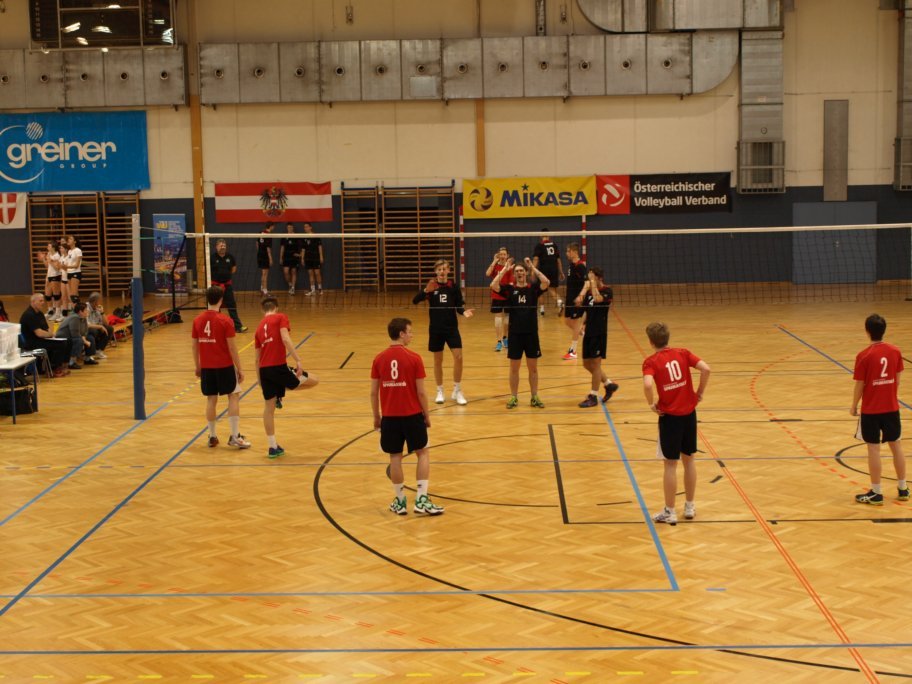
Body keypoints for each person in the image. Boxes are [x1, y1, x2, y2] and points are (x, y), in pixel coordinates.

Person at [370, 317, 444, 516]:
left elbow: (373, 393)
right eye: (410, 332)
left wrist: (376, 417)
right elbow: (421, 392)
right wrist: (427, 415)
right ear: (401, 334)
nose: (412, 335)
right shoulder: (414, 358)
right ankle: (421, 499)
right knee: (423, 453)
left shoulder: (378, 359)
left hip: (390, 417)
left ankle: (400, 501)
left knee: (395, 456)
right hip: (412, 415)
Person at [642, 321, 711, 524]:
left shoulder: (651, 362)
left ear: (651, 342)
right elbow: (706, 369)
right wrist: (699, 393)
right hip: (689, 414)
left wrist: (651, 404)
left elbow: (648, 384)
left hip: (670, 418)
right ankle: (689, 506)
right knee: (689, 460)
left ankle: (670, 511)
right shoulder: (682, 353)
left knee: (670, 465)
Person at [851, 313, 908, 505]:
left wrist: (853, 405)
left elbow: (860, 384)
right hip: (891, 407)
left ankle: (876, 492)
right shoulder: (895, 351)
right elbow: (897, 380)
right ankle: (903, 488)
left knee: (873, 449)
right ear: (884, 330)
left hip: (871, 410)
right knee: (896, 446)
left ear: (867, 331)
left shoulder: (864, 355)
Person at [254, 296, 320, 458]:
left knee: (268, 409)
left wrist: (259, 379)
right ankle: (281, 389)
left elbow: (256, 358)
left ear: (263, 310)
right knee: (314, 380)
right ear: (276, 307)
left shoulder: (258, 328)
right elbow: (285, 338)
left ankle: (272, 447)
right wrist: (298, 360)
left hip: (264, 371)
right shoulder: (281, 317)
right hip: (278, 368)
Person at [191, 286, 251, 449]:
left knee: (211, 399)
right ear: (221, 300)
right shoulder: (226, 321)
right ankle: (235, 436)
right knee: (234, 396)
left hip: (207, 367)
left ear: (207, 299)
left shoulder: (197, 320)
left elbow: (194, 346)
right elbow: (232, 347)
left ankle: (212, 436)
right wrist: (240, 368)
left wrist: (198, 366)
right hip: (224, 366)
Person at [412, 259, 474, 406]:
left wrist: (463, 312)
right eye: (439, 269)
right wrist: (426, 291)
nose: (442, 272)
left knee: (458, 357)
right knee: (438, 360)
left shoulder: (453, 286)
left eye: (444, 269)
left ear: (448, 271)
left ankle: (457, 390)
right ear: (436, 271)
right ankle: (440, 390)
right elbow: (415, 300)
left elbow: (459, 305)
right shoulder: (431, 286)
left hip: (451, 328)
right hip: (436, 329)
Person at [490, 256, 550, 409]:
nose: (519, 273)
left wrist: (532, 267)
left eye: (521, 271)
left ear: (525, 272)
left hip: (531, 334)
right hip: (515, 335)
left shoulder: (533, 289)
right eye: (517, 271)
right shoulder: (510, 290)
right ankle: (514, 397)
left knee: (533, 369)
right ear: (514, 274)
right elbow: (493, 285)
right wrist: (505, 269)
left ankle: (534, 396)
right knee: (514, 369)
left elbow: (546, 282)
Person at [575, 267, 619, 407]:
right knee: (586, 364)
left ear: (599, 278)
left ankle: (593, 396)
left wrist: (592, 283)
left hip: (599, 333)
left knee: (596, 365)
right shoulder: (589, 292)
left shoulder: (607, 291)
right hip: (589, 332)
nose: (590, 280)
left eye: (593, 277)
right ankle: (609, 384)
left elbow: (597, 299)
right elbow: (585, 309)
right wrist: (582, 324)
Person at [19, 293, 72, 376]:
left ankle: (63, 365)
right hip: (31, 342)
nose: (43, 303)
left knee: (68, 340)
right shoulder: (29, 315)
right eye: (40, 301)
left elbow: (47, 329)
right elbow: (39, 333)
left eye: (43, 301)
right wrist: (51, 335)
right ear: (33, 302)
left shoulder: (39, 314)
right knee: (61, 344)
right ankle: (53, 369)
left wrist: (52, 335)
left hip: (40, 339)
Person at [210, 239, 247, 332]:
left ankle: (238, 326)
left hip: (227, 285)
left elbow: (234, 268)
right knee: (215, 306)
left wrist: (225, 274)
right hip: (215, 286)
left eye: (224, 245)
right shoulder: (212, 257)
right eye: (221, 245)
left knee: (232, 305)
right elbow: (204, 268)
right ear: (216, 247)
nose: (222, 247)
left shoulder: (230, 257)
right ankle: (215, 326)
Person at [562, 242, 588, 360]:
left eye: (568, 251)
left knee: (576, 323)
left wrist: (581, 296)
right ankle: (582, 333)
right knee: (567, 321)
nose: (566, 253)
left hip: (577, 300)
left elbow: (587, 282)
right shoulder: (571, 265)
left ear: (574, 252)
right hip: (569, 298)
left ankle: (573, 351)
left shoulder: (580, 266)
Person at [485, 247, 513, 352]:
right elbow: (487, 274)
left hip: (507, 295)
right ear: (498, 255)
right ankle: (499, 341)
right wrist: (494, 261)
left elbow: (511, 283)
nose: (502, 256)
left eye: (504, 254)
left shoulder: (509, 267)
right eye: (500, 254)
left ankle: (505, 338)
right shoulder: (495, 266)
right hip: (496, 295)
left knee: (507, 318)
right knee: (498, 318)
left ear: (507, 256)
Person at [56, 302, 98, 369]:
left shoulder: (83, 318)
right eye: (86, 310)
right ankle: (71, 362)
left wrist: (85, 338)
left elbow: (85, 331)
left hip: (73, 337)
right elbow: (74, 334)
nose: (87, 311)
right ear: (80, 311)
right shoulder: (74, 317)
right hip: (63, 338)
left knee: (90, 338)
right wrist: (85, 341)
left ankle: (87, 359)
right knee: (79, 340)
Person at [532, 229, 564, 316]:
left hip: (543, 270)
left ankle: (542, 309)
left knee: (540, 290)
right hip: (554, 269)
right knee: (552, 289)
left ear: (540, 236)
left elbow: (536, 259)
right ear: (549, 235)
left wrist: (532, 271)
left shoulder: (539, 246)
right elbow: (558, 260)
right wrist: (561, 272)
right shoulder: (554, 245)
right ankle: (560, 302)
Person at [86, 292, 114, 357]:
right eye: (99, 301)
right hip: (87, 328)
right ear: (95, 302)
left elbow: (106, 323)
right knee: (94, 331)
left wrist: (102, 312)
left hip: (97, 327)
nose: (101, 303)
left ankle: (98, 350)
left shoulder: (97, 307)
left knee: (109, 329)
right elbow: (86, 324)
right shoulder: (86, 308)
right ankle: (90, 352)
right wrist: (100, 326)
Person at [301, 223, 324, 296]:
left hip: (316, 257)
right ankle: (313, 290)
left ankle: (320, 289)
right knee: (310, 274)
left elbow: (320, 247)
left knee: (317, 273)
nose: (305, 228)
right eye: (304, 227)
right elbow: (303, 249)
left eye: (307, 227)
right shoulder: (304, 237)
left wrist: (321, 256)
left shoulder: (315, 236)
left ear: (310, 227)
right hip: (308, 258)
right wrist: (302, 258)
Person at [43, 241, 64, 321]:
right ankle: (50, 311)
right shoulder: (49, 254)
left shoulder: (57, 256)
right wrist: (44, 259)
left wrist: (51, 261)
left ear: (53, 247)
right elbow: (47, 266)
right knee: (47, 295)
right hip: (49, 275)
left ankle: (58, 313)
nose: (47, 247)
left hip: (55, 275)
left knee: (56, 295)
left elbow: (57, 268)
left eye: (49, 246)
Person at [279, 223, 302, 295]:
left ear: (293, 228)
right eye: (288, 227)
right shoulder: (284, 236)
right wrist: (281, 257)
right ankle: (290, 284)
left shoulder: (296, 236)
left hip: (294, 257)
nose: (289, 228)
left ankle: (293, 288)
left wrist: (300, 254)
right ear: (287, 228)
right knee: (286, 272)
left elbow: (302, 247)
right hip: (286, 257)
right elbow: (282, 247)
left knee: (293, 272)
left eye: (291, 227)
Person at [64, 235, 83, 304]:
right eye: (68, 239)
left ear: (75, 241)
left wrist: (67, 266)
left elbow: (77, 265)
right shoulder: (69, 251)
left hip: (76, 273)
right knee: (73, 295)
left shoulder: (78, 250)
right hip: (69, 273)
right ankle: (79, 308)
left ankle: (79, 309)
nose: (68, 240)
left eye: (70, 239)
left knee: (73, 295)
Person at [257, 222, 275, 296]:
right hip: (265, 255)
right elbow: (268, 248)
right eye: (273, 226)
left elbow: (257, 243)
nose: (274, 228)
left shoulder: (260, 232)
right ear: (271, 226)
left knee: (263, 273)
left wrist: (259, 252)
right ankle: (265, 291)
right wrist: (270, 258)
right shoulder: (268, 235)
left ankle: (262, 288)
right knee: (265, 274)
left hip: (259, 254)